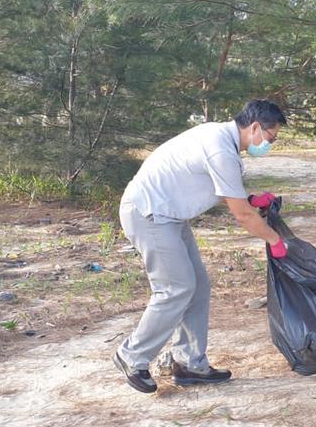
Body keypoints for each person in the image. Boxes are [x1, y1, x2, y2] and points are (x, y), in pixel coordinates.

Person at [112, 99, 289, 394]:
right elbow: (243, 216)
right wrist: (275, 240)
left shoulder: (220, 136)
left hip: (169, 215)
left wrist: (252, 199)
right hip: (149, 214)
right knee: (176, 288)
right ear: (255, 127)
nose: (269, 144)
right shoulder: (221, 148)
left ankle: (190, 363)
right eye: (270, 138)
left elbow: (221, 188)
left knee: (198, 286)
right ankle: (132, 356)